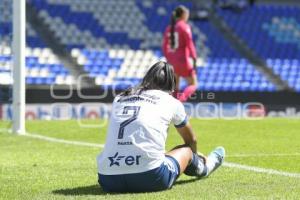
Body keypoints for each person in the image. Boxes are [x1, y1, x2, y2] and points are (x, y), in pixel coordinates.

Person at [97, 61, 225, 193]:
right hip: (149, 177)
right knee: (187, 151)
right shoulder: (171, 102)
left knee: (160, 154)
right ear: (171, 83)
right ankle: (205, 168)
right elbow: (191, 140)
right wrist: (194, 157)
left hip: (108, 179)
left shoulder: (119, 97)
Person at [162, 5, 198, 102]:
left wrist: (168, 59)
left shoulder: (169, 28)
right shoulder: (184, 26)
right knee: (193, 85)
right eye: (187, 14)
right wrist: (194, 58)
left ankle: (172, 110)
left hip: (172, 60)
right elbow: (189, 43)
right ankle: (180, 101)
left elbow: (164, 47)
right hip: (182, 60)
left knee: (175, 88)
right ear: (183, 14)